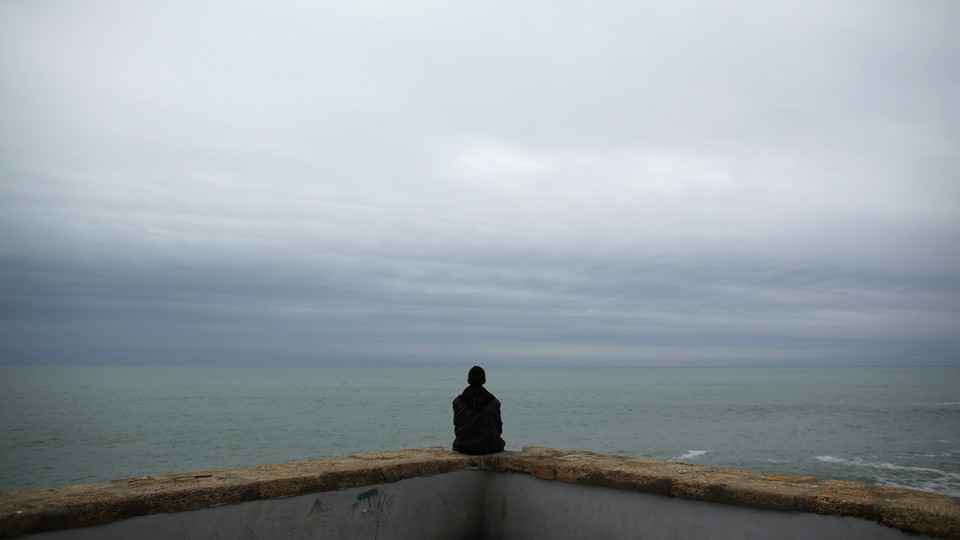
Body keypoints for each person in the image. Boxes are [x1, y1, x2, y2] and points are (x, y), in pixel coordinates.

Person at [452, 365, 506, 455]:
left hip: (464, 446)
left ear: (468, 381)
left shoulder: (458, 402)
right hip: (491, 446)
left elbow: (457, 428)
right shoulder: (494, 402)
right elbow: (498, 428)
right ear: (484, 381)